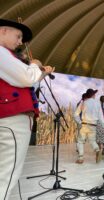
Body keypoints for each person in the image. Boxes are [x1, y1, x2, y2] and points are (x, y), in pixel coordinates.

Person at [0, 19, 54, 200]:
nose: (20, 42)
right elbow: (25, 77)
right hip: (11, 121)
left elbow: (23, 84)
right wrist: (34, 65)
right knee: (6, 176)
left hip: (8, 120)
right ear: (3, 31)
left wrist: (39, 73)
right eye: (18, 36)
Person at [74, 89, 104, 164]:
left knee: (80, 141)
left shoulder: (83, 102)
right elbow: (101, 116)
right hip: (93, 125)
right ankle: (97, 150)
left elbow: (75, 114)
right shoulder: (98, 103)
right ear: (93, 95)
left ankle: (80, 158)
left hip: (84, 125)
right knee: (92, 141)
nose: (95, 95)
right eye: (94, 94)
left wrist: (79, 122)